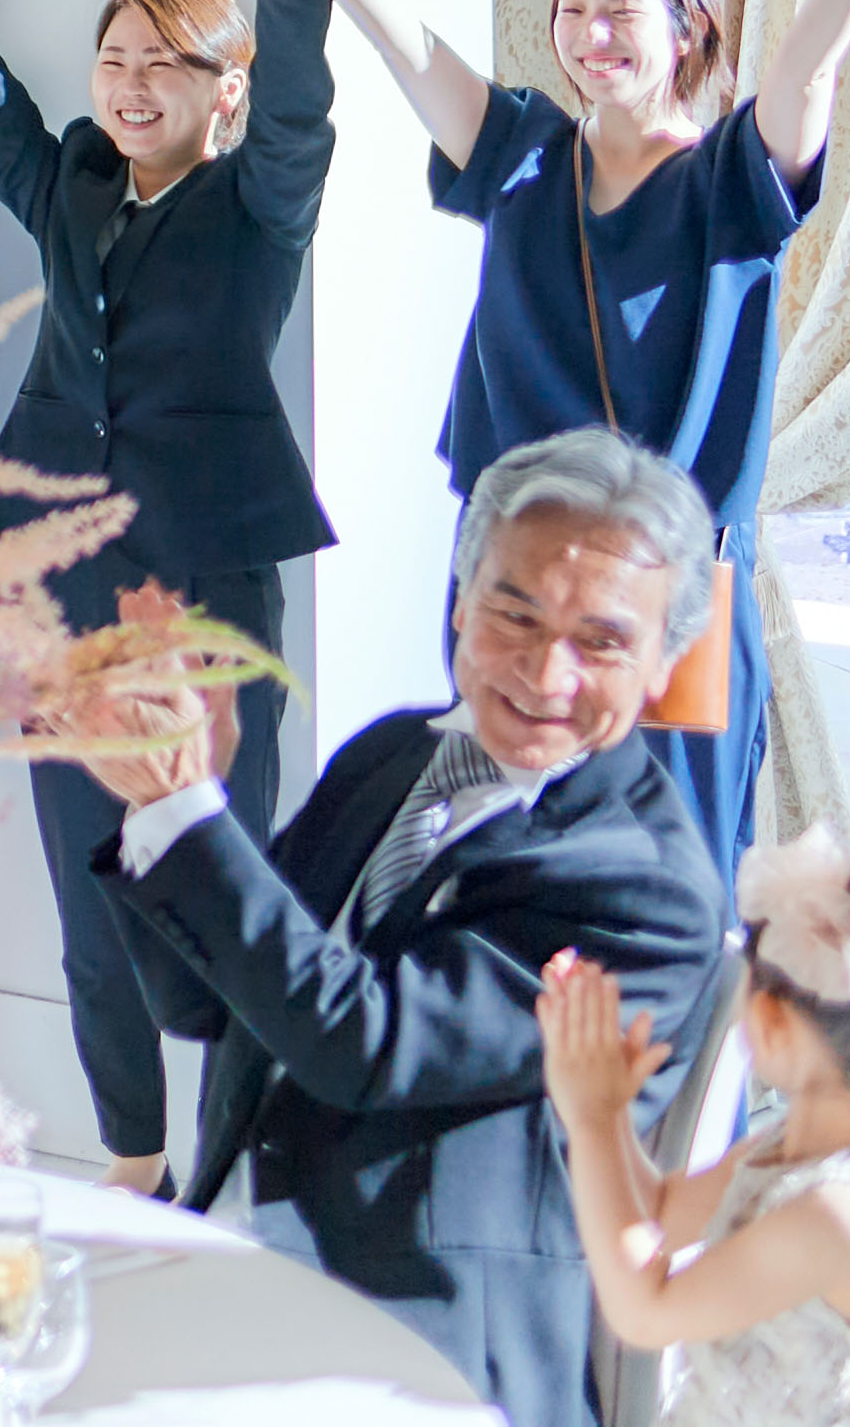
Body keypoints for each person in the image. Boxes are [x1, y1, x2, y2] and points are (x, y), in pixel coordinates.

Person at [262, 0, 850, 902]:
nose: (590, 32)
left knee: (670, 878)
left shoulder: (731, 179)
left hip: (670, 587)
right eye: (574, 8)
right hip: (514, 568)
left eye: (621, 9)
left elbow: (807, 70)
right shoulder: (520, 152)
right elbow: (401, 41)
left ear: (688, 28)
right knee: (502, 850)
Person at [77, 426, 735, 1427]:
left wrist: (187, 820)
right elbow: (205, 1007)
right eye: (515, 613)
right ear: (460, 603)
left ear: (662, 664)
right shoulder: (391, 756)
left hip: (422, 1347)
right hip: (233, 1266)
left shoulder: (646, 889)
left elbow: (365, 1044)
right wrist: (165, 800)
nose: (546, 672)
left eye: (601, 642)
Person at [0, 0, 343, 1194]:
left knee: (226, 884)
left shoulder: (258, 205)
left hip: (207, 590)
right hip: (62, 592)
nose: (129, 85)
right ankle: (135, 1165)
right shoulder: (75, 190)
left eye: (163, 65)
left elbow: (301, 103)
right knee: (91, 900)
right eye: (115, 59)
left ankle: (241, 1164)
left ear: (220, 92)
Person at [539, 825, 850, 1427]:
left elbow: (644, 1312)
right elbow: (663, 1211)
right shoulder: (801, 1149)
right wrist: (610, 1111)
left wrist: (590, 1121)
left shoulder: (843, 1214)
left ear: (769, 1021)